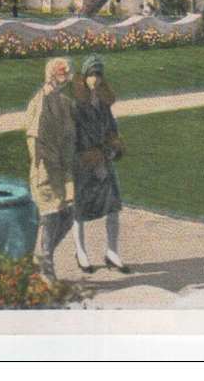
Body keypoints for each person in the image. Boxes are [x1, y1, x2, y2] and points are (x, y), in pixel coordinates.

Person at [70, 55, 129, 274]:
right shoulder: (76, 106)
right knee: (80, 210)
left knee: (113, 206)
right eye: (91, 74)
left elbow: (112, 129)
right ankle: (81, 251)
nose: (95, 79)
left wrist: (113, 148)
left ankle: (112, 252)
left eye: (98, 74)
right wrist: (94, 161)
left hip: (104, 159)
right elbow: (76, 139)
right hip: (84, 163)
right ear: (84, 77)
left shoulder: (104, 104)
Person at [24, 57, 77, 282]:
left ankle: (42, 257)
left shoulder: (64, 102)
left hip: (63, 167)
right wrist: (40, 168)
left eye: (65, 73)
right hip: (45, 167)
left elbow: (71, 135)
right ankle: (46, 265)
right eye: (59, 73)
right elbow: (34, 138)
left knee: (70, 213)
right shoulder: (40, 101)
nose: (63, 77)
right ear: (50, 75)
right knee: (50, 214)